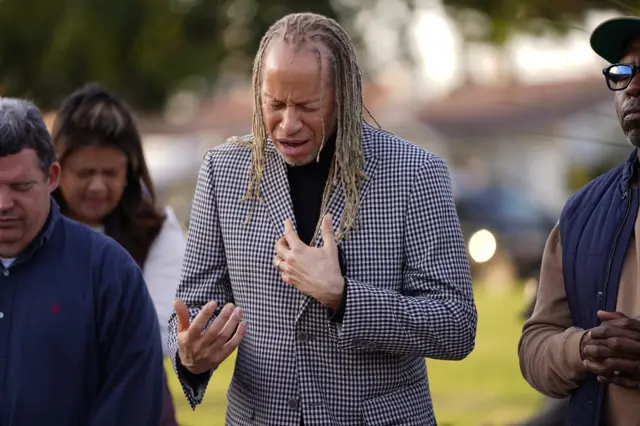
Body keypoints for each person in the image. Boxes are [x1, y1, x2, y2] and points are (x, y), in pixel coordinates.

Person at [168, 11, 477, 425]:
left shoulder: (416, 174)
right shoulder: (223, 171)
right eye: (274, 104)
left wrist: (343, 297)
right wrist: (189, 353)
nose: (288, 124)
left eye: (308, 106)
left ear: (343, 95)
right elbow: (190, 310)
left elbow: (455, 324)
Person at [0, 97, 163, 425]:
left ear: (53, 177)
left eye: (21, 186)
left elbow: (131, 402)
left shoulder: (110, 274)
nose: (3, 203)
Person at [518, 16, 640, 426]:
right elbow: (535, 346)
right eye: (623, 73)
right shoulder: (584, 210)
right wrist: (586, 348)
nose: (633, 88)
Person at [50, 84, 185, 426]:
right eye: (84, 173)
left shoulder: (157, 229)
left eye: (110, 173)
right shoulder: (31, 233)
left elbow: (162, 332)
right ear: (56, 170)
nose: (97, 186)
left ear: (131, 170)